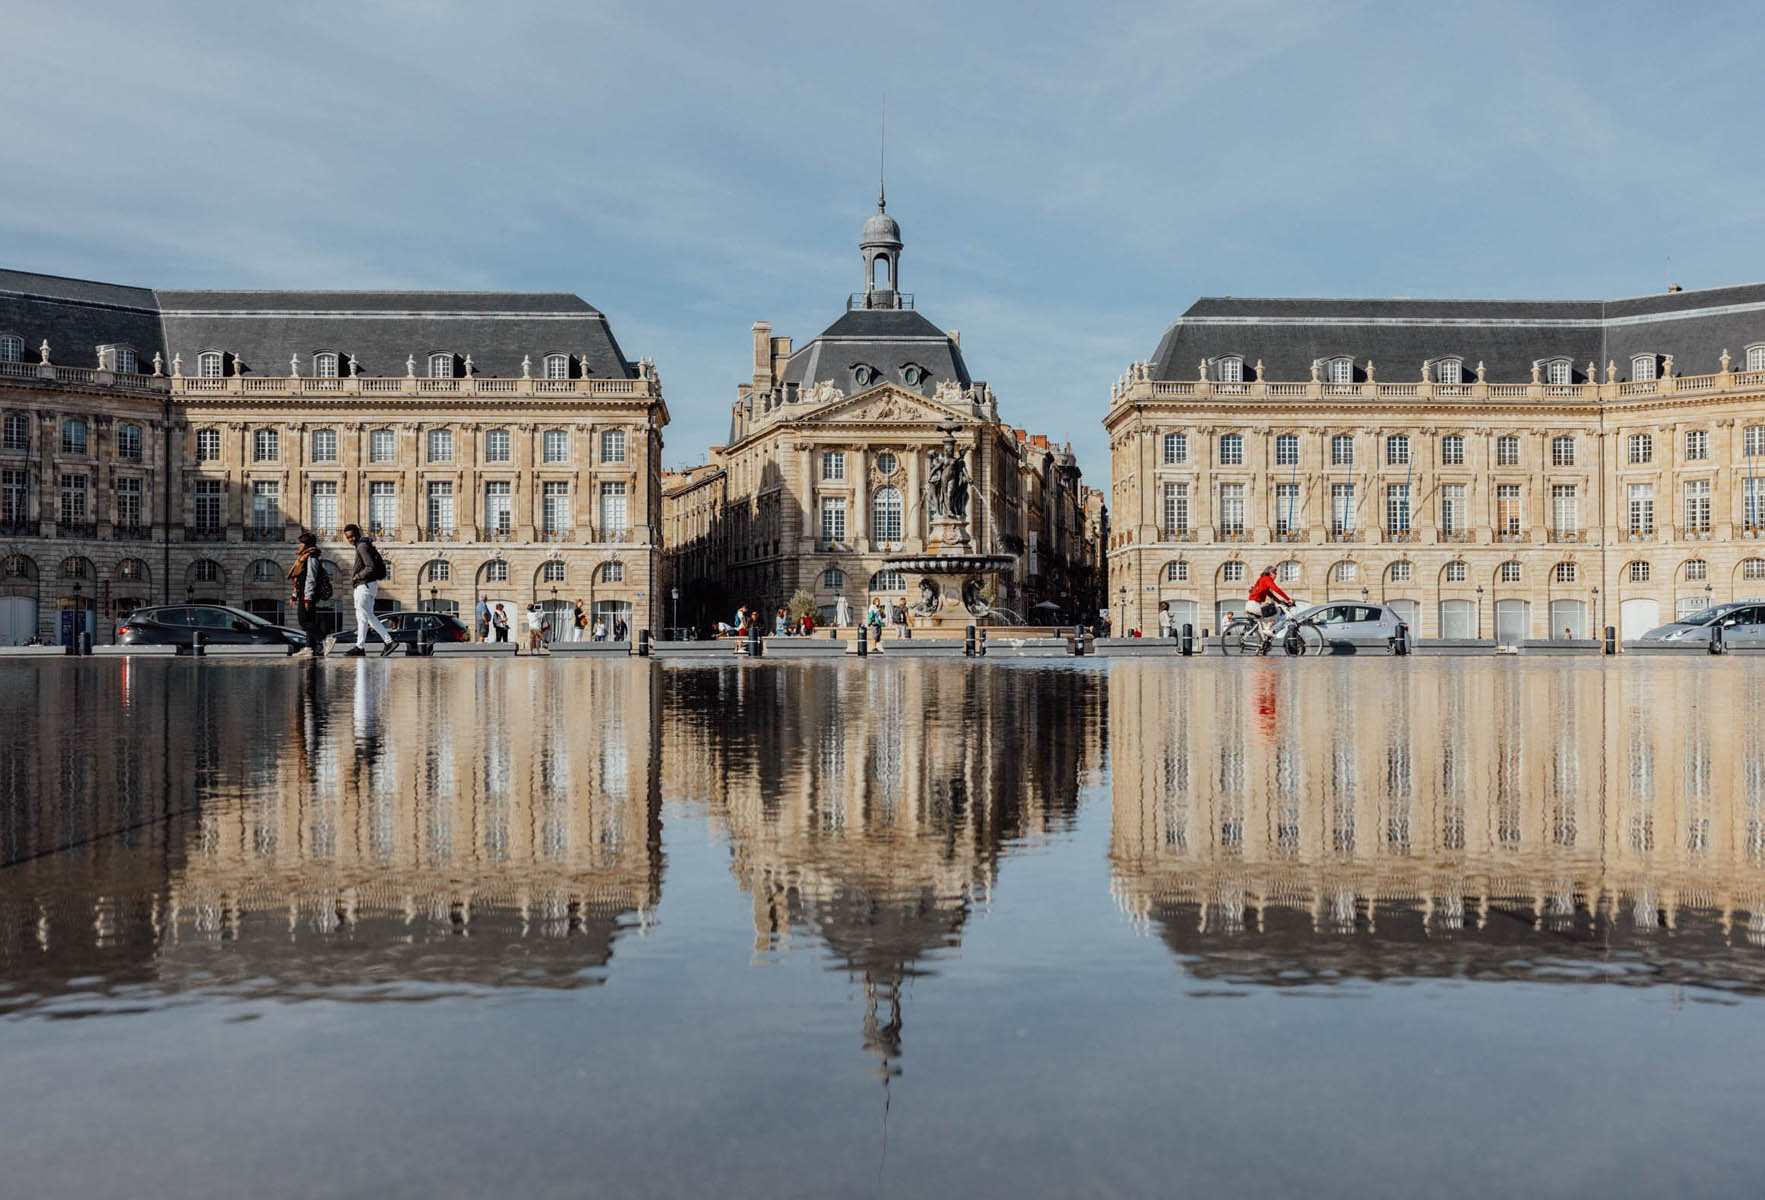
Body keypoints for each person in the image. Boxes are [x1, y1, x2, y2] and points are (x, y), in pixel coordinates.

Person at [341, 524, 395, 657]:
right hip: (369, 585)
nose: (351, 539)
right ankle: (388, 642)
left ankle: (360, 646)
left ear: (358, 533)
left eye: (353, 536)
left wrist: (357, 576)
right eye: (348, 538)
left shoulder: (361, 546)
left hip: (363, 585)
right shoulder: (364, 544)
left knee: (362, 617)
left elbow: (370, 567)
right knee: (368, 616)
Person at [287, 532, 327, 656]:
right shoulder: (304, 558)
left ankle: (324, 638)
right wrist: (294, 595)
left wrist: (308, 599)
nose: (299, 546)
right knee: (309, 620)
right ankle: (309, 647)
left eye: (301, 544)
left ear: (307, 545)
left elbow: (311, 578)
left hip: (307, 594)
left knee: (303, 621)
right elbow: (299, 579)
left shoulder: (311, 557)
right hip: (303, 593)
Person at [1247, 564, 1295, 651]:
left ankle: (1263, 646)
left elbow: (1271, 594)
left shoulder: (1263, 580)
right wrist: (1289, 599)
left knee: (1265, 625)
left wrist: (1280, 601)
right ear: (1270, 573)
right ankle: (1268, 629)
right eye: (1275, 573)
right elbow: (1276, 589)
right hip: (1254, 605)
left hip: (1253, 604)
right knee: (1275, 611)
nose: (1276, 575)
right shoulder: (1266, 579)